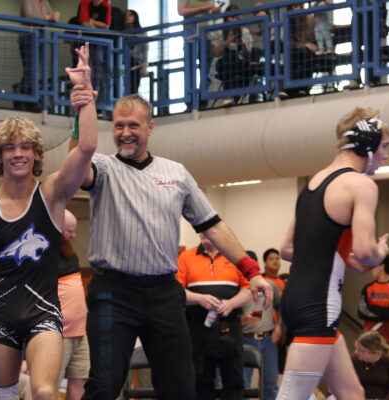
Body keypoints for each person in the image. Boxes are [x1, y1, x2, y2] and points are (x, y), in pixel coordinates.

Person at [69, 89, 272, 400]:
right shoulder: (104, 167)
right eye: (119, 126)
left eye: (133, 126)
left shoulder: (175, 173)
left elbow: (213, 226)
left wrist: (252, 270)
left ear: (150, 127)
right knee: (104, 386)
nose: (125, 133)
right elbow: (77, 166)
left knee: (180, 388)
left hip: (164, 294)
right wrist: (81, 110)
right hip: (114, 294)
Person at [0, 42, 97, 400]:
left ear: (36, 153)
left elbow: (86, 148)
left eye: (25, 147)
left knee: (43, 391)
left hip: (44, 312)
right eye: (9, 148)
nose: (18, 154)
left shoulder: (53, 194)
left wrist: (84, 94)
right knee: (6, 394)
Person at [278, 107, 389, 400]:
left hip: (297, 299)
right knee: (292, 396)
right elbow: (367, 252)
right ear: (367, 144)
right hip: (319, 305)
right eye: (384, 147)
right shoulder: (361, 185)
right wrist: (380, 252)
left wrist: (343, 257)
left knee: (352, 394)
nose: (386, 156)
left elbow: (288, 250)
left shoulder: (313, 184)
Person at [177, 233, 252, 400]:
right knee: (200, 379)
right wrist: (199, 298)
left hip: (230, 325)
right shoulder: (185, 257)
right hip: (197, 326)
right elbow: (177, 291)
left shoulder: (235, 255)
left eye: (209, 233)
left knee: (234, 379)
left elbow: (250, 288)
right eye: (202, 233)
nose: (205, 236)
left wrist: (232, 303)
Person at [241, 249, 283, 400]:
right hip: (246, 339)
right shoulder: (237, 288)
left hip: (268, 339)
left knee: (270, 385)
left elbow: (280, 307)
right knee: (243, 386)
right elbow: (229, 316)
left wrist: (278, 326)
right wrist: (244, 319)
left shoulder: (269, 285)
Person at [57, 210, 89, 400]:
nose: (74, 235)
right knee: (50, 383)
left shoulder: (69, 252)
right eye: (69, 230)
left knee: (80, 378)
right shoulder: (43, 253)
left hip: (79, 330)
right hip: (59, 333)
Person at [357, 254, 389, 349]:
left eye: (373, 266)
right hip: (368, 341)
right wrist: (386, 311)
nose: (369, 269)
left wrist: (372, 308)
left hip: (388, 342)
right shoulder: (367, 288)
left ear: (382, 266)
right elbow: (361, 312)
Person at [352, 330, 389, 400]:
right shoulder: (354, 359)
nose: (356, 352)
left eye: (361, 351)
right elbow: (346, 385)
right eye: (356, 348)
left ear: (373, 351)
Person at [123, 9, 147, 95]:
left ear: (135, 17)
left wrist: (144, 66)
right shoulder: (122, 32)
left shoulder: (141, 32)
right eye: (126, 15)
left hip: (136, 62)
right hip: (123, 62)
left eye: (130, 15)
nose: (127, 17)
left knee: (134, 88)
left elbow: (144, 50)